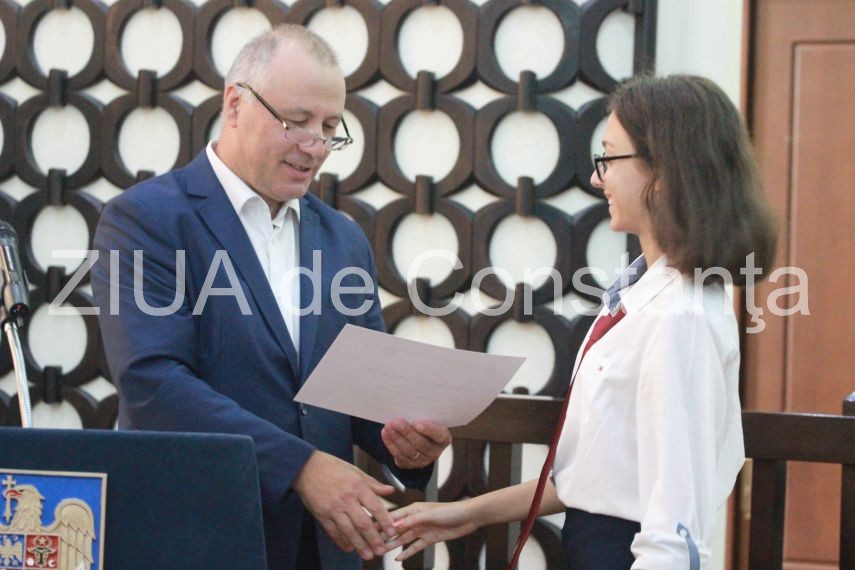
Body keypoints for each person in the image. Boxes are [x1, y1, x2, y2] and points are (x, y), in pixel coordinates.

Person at [91, 25, 451, 570]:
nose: (315, 146)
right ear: (235, 104)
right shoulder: (147, 220)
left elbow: (360, 391)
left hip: (324, 549)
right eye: (297, 121)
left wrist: (404, 443)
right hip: (198, 538)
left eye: (329, 127)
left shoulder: (343, 238)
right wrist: (301, 467)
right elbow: (153, 384)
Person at [387, 74, 778, 569]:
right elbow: (597, 478)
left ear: (664, 170)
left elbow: (673, 531)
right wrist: (467, 514)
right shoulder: (644, 294)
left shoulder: (682, 315)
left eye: (609, 158)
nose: (597, 178)